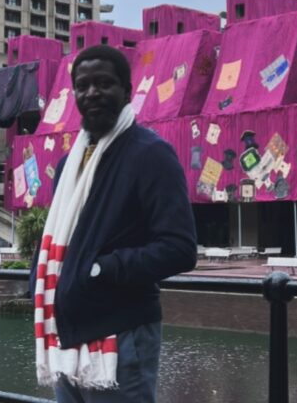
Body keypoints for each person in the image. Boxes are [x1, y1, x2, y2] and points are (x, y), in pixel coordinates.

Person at [32, 44, 197, 403]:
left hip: (122, 330)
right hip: (68, 333)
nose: (92, 93)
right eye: (83, 85)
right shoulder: (67, 165)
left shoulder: (150, 154)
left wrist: (101, 269)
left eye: (104, 83)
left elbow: (180, 248)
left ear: (126, 90)